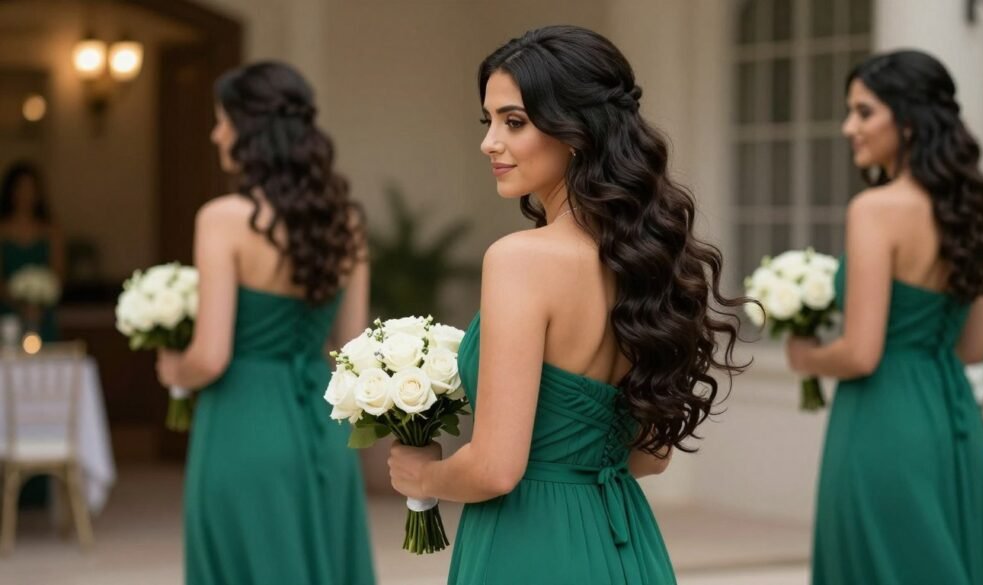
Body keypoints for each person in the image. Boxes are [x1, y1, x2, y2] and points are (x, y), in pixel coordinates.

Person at [387, 25, 746, 584]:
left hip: (529, 547)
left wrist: (423, 477)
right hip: (624, 540)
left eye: (514, 121)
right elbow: (650, 458)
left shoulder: (520, 260)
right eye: (490, 122)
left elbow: (495, 469)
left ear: (576, 132)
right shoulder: (650, 263)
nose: (489, 143)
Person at [785, 50, 983, 584]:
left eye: (864, 112)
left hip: (883, 420)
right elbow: (973, 347)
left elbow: (862, 354)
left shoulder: (875, 210)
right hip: (952, 417)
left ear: (908, 120)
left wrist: (806, 357)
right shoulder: (969, 210)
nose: (849, 127)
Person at [155, 61, 375, 585]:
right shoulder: (347, 222)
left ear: (248, 129)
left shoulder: (222, 219)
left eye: (222, 120)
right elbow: (351, 348)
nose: (216, 133)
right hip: (325, 430)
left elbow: (210, 357)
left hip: (241, 426)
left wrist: (172, 371)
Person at [0, 160, 65, 341]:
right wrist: (20, 304)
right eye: (21, 188)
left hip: (43, 314)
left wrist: (39, 303)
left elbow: (58, 274)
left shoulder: (51, 231)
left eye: (31, 188)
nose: (25, 195)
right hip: (8, 313)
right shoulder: (2, 231)